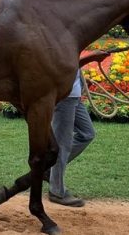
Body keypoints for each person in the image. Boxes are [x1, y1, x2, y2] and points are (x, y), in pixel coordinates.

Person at [47, 69, 97, 207]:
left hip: (75, 96)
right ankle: (56, 191)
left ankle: (50, 171)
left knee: (87, 133)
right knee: (62, 144)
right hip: (65, 98)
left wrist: (80, 80)